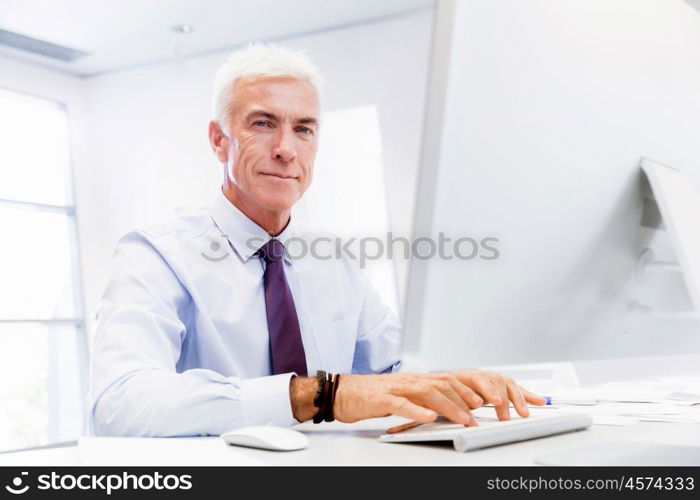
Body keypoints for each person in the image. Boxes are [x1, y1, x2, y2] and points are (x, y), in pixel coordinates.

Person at [88, 44, 544, 436]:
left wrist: (460, 383)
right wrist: (318, 396)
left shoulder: (333, 261)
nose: (286, 148)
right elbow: (118, 402)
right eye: (263, 124)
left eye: (303, 129)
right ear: (218, 140)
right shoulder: (154, 254)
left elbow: (392, 372)